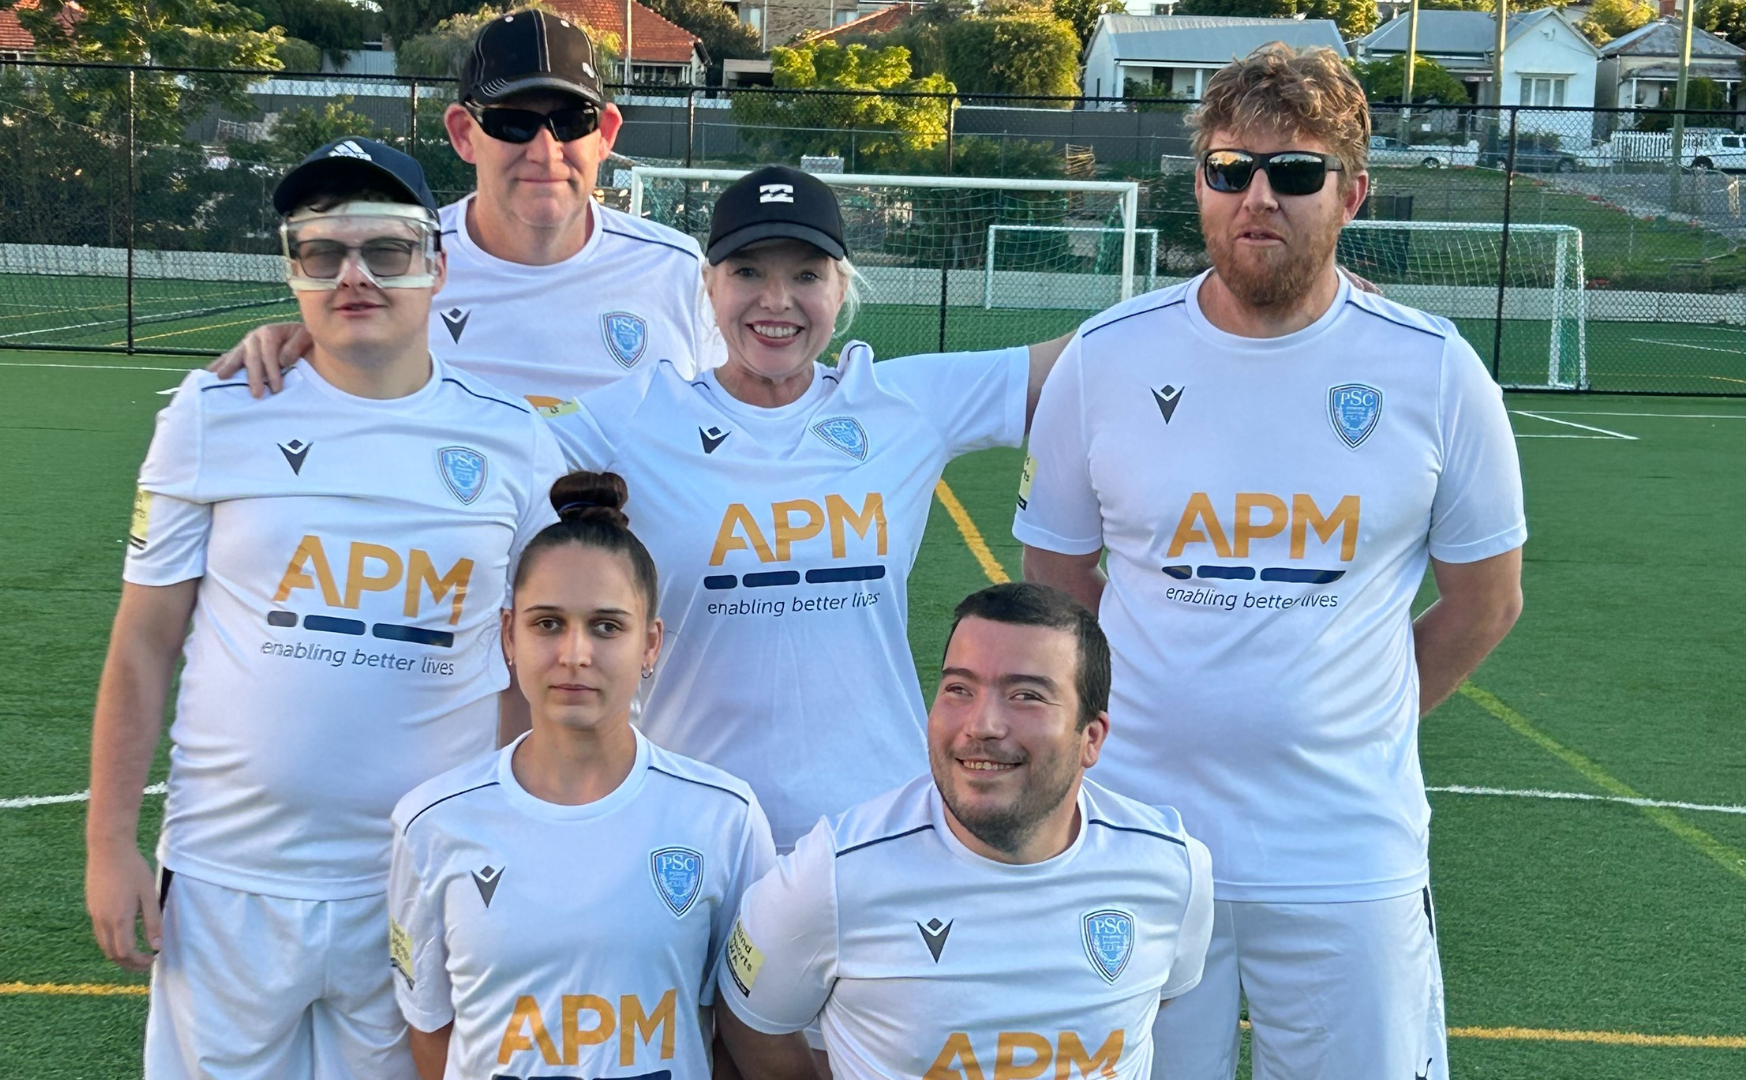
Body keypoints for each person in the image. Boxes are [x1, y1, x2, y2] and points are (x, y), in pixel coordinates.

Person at [1013, 45, 1525, 1080]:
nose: (1258, 195)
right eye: (1228, 168)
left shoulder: (1432, 370)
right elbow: (1056, 591)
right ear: (1196, 182)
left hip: (1345, 851)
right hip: (1142, 842)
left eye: (1293, 172)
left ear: (1352, 194)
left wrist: (1347, 723)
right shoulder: (1104, 359)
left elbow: (1484, 600)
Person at [86, 138, 565, 1078]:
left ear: (435, 263)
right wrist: (109, 844)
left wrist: (521, 833)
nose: (354, 276)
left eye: (385, 251)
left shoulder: (512, 440)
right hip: (229, 880)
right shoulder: (211, 412)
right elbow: (143, 646)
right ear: (292, 269)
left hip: (421, 879)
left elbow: (527, 672)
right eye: (322, 251)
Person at [547, 165, 1070, 852]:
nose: (776, 301)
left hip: (880, 827)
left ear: (841, 287)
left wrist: (1234, 283)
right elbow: (493, 459)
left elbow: (1086, 366)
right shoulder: (636, 416)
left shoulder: (903, 401)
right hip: (692, 828)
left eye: (806, 275)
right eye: (748, 273)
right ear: (709, 285)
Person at [715, 582, 1214, 1080]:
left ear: (1091, 738)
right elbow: (753, 1024)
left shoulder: (1173, 869)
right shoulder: (833, 872)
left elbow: (1156, 999)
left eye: (1026, 696)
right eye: (959, 689)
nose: (983, 724)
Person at [388, 471, 775, 1080]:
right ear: (507, 636)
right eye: (547, 624)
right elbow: (431, 1028)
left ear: (650, 645)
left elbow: (744, 1026)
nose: (575, 654)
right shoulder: (432, 822)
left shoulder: (722, 816)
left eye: (606, 626)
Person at [211, 9, 721, 405]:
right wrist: (300, 342)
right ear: (463, 134)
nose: (545, 151)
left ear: (605, 133)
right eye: (512, 123)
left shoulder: (676, 270)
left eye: (571, 121)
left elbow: (731, 414)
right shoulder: (406, 263)